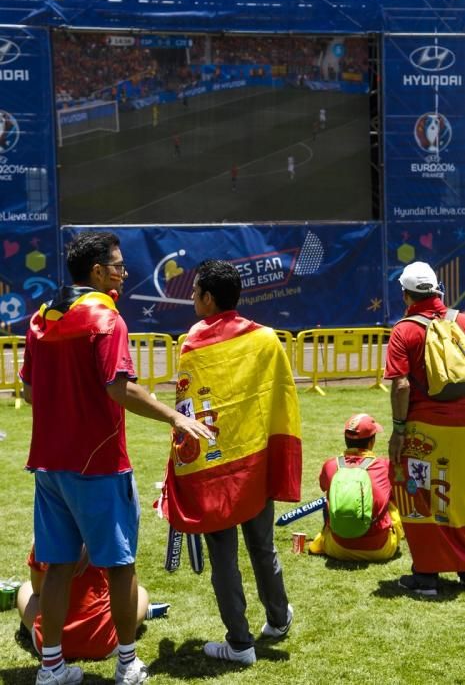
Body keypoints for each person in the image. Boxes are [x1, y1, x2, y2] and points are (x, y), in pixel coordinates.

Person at [20, 231, 212, 685]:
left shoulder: (39, 320)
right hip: (99, 465)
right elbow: (119, 387)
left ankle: (52, 668)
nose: (124, 274)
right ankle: (127, 664)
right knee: (121, 567)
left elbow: (28, 392)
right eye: (119, 266)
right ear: (97, 272)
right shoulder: (106, 320)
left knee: (59, 566)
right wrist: (175, 419)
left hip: (48, 464)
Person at [160, 259, 302, 665]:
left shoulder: (193, 343)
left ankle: (239, 643)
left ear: (208, 297)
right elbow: (280, 400)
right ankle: (277, 620)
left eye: (194, 292)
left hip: (212, 465)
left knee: (223, 554)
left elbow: (188, 408)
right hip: (255, 459)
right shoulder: (266, 339)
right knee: (263, 546)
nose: (191, 298)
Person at [385, 261, 465, 596]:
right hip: (461, 428)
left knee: (418, 496)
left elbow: (401, 386)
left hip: (423, 431)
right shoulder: (460, 320)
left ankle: (427, 576)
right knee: (459, 497)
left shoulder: (404, 330)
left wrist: (398, 429)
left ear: (405, 294)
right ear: (436, 290)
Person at [17, 545, 169, 660]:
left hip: (49, 644)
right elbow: (116, 587)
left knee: (26, 589)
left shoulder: (45, 537)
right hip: (105, 643)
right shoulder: (103, 539)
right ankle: (133, 615)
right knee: (140, 592)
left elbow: (37, 590)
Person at [308, 413, 403, 561]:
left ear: (346, 440)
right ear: (372, 441)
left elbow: (323, 486)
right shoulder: (384, 466)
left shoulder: (331, 465)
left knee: (329, 498)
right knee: (392, 498)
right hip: (381, 549)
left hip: (337, 548)